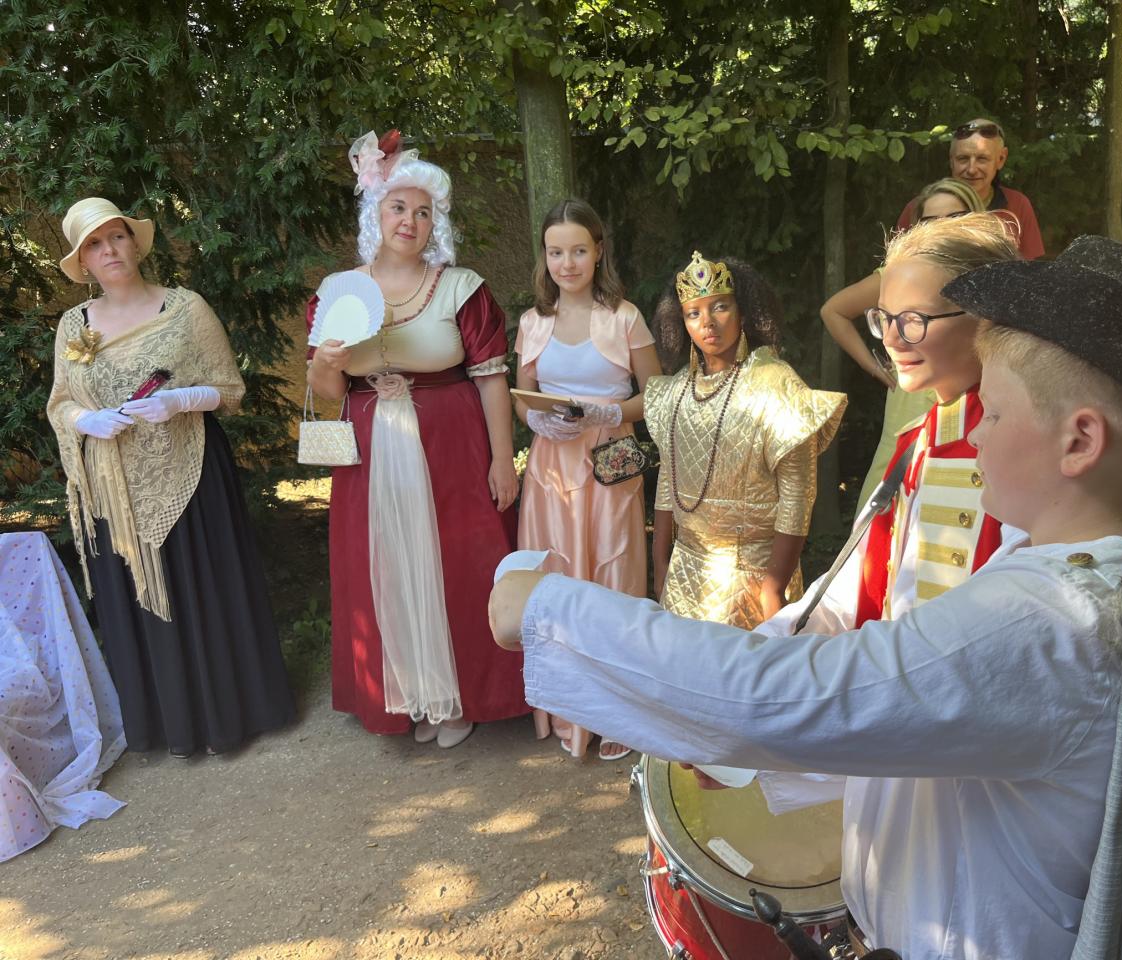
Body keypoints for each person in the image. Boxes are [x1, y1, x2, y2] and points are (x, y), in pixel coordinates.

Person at [491, 234, 1122, 960]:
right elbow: (936, 724)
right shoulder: (1075, 584)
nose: (974, 433)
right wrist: (758, 761)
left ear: (1079, 442)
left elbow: (790, 697)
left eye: (995, 411)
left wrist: (549, 609)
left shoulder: (1051, 620)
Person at [46, 197, 294, 758]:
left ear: (135, 243)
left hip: (193, 470)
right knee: (140, 600)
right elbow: (60, 404)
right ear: (82, 262)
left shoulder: (185, 308)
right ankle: (171, 726)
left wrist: (180, 399)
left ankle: (233, 717)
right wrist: (87, 420)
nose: (109, 250)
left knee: (204, 588)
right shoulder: (72, 326)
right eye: (94, 244)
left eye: (117, 236)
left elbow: (230, 389)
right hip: (115, 489)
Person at [307, 130, 524, 748]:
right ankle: (409, 696)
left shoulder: (461, 287)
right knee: (386, 566)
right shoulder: (337, 291)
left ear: (437, 224)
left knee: (455, 562)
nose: (410, 220)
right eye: (398, 207)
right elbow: (327, 391)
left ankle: (461, 697)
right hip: (370, 450)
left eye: (423, 211)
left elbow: (491, 380)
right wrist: (325, 361)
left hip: (452, 445)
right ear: (375, 215)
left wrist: (502, 460)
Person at [513, 198, 661, 760]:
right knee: (558, 578)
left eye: (578, 250)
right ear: (544, 256)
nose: (567, 263)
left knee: (613, 575)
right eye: (556, 252)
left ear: (598, 251)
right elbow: (522, 396)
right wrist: (535, 420)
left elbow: (657, 395)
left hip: (611, 460)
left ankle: (620, 712)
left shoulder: (624, 317)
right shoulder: (533, 322)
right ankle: (569, 710)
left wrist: (609, 412)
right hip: (551, 466)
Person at [645, 252, 846, 629]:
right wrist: (660, 563)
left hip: (753, 576)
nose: (707, 323)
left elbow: (797, 494)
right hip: (684, 573)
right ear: (681, 322)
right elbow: (668, 481)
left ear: (744, 311)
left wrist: (774, 585)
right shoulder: (675, 391)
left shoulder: (775, 384)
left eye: (720, 307)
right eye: (693, 313)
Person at [820, 178, 988, 513]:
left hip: (976, 421)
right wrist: (875, 366)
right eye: (930, 221)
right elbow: (833, 311)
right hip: (909, 412)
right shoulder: (899, 274)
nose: (943, 229)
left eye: (955, 218)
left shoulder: (994, 278)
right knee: (886, 513)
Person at [896, 118, 1045, 260]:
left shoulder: (1017, 205)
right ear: (951, 161)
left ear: (1001, 159)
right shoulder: (921, 209)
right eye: (963, 159)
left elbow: (1029, 270)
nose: (972, 169)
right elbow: (896, 266)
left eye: (982, 159)